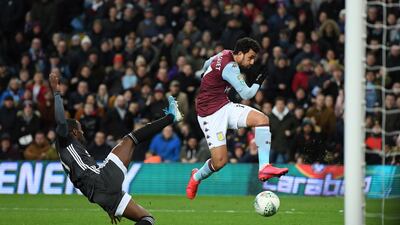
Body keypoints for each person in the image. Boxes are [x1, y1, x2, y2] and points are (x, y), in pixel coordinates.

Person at [49, 72, 182, 225]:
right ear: (72, 132)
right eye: (80, 129)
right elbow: (60, 121)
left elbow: (86, 185)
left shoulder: (71, 151)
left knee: (147, 219)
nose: (82, 132)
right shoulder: (64, 140)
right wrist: (57, 93)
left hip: (101, 193)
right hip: (102, 180)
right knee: (130, 139)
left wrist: (108, 204)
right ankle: (171, 117)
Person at [186, 37, 288, 200]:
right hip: (210, 115)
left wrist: (204, 76)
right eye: (250, 57)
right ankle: (196, 177)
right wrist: (259, 80)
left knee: (262, 119)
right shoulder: (231, 67)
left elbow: (206, 64)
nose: (252, 62)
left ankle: (264, 167)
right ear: (239, 53)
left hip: (224, 105)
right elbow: (247, 94)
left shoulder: (224, 53)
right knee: (219, 162)